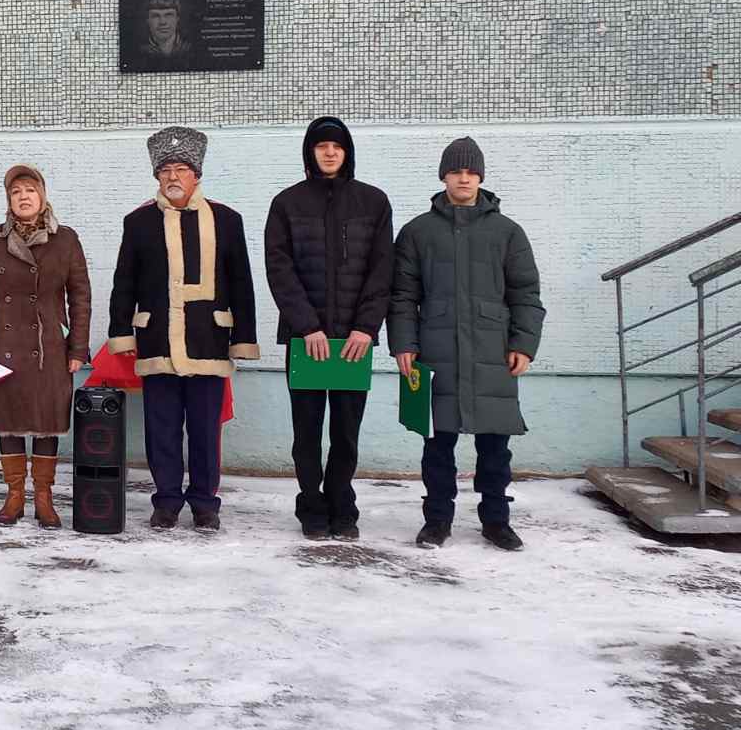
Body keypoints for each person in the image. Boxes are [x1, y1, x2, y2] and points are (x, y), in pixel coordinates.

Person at [388, 137, 544, 551]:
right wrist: (404, 343)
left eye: (471, 172)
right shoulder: (417, 232)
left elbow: (526, 294)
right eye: (456, 171)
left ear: (481, 177)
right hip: (435, 353)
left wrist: (524, 345)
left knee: (495, 446)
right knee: (437, 444)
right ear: (443, 175)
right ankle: (437, 520)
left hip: (493, 353)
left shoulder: (508, 232)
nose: (463, 178)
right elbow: (402, 296)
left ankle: (496, 520)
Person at [108, 127, 260, 531]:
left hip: (209, 340)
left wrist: (244, 338)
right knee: (162, 429)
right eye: (166, 171)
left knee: (206, 431)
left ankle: (206, 503)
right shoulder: (138, 222)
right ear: (157, 177)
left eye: (181, 169)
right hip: (157, 340)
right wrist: (122, 332)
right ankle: (167, 502)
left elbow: (241, 281)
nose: (173, 177)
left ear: (197, 175)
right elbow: (124, 282)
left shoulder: (228, 220)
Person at [264, 117, 394, 540]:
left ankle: (343, 502)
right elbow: (279, 269)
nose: (329, 152)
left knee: (345, 430)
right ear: (310, 152)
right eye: (321, 146)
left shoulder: (373, 203)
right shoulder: (287, 204)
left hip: (353, 342)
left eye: (337, 145)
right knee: (306, 430)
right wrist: (307, 327)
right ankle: (311, 504)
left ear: (347, 151)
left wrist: (365, 328)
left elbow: (382, 271)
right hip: (307, 342)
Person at [0, 165, 92, 528]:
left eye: (30, 190)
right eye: (16, 191)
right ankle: (15, 495)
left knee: (47, 422)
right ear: (9, 199)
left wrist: (78, 348)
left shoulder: (65, 239)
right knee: (10, 422)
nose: (23, 196)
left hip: (50, 345)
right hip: (5, 345)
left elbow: (80, 296)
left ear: (43, 196)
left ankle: (45, 498)